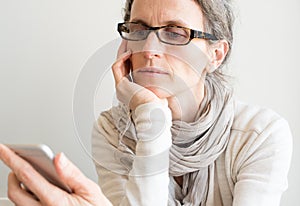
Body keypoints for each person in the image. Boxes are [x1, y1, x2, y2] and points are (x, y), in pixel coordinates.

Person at [0, 0, 293, 205]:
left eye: (176, 33)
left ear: (215, 55)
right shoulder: (112, 131)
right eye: (139, 30)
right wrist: (152, 115)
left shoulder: (260, 135)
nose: (150, 49)